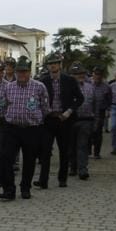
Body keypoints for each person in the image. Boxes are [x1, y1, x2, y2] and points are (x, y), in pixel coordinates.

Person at [0, 56, 49, 201]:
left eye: (25, 72)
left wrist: (37, 121)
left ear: (29, 72)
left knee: (29, 160)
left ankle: (25, 188)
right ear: (15, 72)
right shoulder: (8, 87)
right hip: (12, 128)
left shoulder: (39, 87)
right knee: (6, 159)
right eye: (19, 72)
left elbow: (45, 108)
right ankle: (9, 190)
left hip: (31, 129)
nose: (22, 74)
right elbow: (4, 105)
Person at [37, 53, 83, 189]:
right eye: (50, 64)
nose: (53, 66)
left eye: (55, 63)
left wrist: (68, 112)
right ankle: (43, 180)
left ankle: (62, 179)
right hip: (49, 119)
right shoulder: (43, 81)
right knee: (45, 151)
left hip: (64, 120)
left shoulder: (69, 80)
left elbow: (80, 98)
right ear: (48, 66)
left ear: (60, 65)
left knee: (64, 150)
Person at [69, 62, 96, 180]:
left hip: (86, 120)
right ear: (71, 75)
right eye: (76, 74)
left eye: (81, 73)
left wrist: (96, 119)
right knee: (71, 146)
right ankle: (72, 166)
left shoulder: (90, 87)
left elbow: (95, 104)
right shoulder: (67, 87)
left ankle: (83, 169)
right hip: (70, 121)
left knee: (83, 145)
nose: (79, 76)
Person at [90, 66, 112, 159]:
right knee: (88, 132)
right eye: (96, 74)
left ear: (102, 76)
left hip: (100, 111)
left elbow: (109, 99)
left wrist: (108, 109)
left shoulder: (106, 86)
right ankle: (87, 151)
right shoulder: (88, 84)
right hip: (88, 112)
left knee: (98, 132)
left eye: (99, 74)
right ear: (93, 74)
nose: (97, 76)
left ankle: (96, 153)